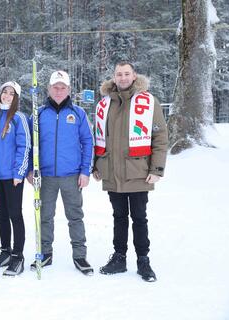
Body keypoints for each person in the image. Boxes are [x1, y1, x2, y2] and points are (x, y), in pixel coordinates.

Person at [93, 61, 168, 282]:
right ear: (114, 77)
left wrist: (157, 169)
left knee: (139, 217)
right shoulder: (104, 104)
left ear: (134, 76)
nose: (123, 78)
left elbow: (160, 137)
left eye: (127, 73)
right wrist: (96, 165)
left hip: (138, 171)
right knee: (118, 217)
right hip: (112, 170)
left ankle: (143, 260)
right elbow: (97, 136)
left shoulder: (148, 101)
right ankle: (119, 257)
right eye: (119, 74)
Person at [27, 70, 94, 275]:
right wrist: (30, 169)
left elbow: (87, 142)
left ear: (69, 89)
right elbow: (29, 143)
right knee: (45, 217)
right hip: (45, 176)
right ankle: (45, 253)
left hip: (71, 176)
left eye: (62, 87)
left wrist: (85, 171)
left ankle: (80, 256)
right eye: (55, 87)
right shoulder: (38, 114)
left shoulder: (78, 113)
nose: (58, 90)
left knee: (75, 216)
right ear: (48, 88)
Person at [0, 81, 31, 276]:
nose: (7, 96)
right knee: (2, 215)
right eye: (4, 92)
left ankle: (18, 256)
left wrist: (19, 173)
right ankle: (5, 251)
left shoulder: (18, 118)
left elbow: (25, 147)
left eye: (11, 94)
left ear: (16, 98)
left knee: (15, 214)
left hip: (13, 176)